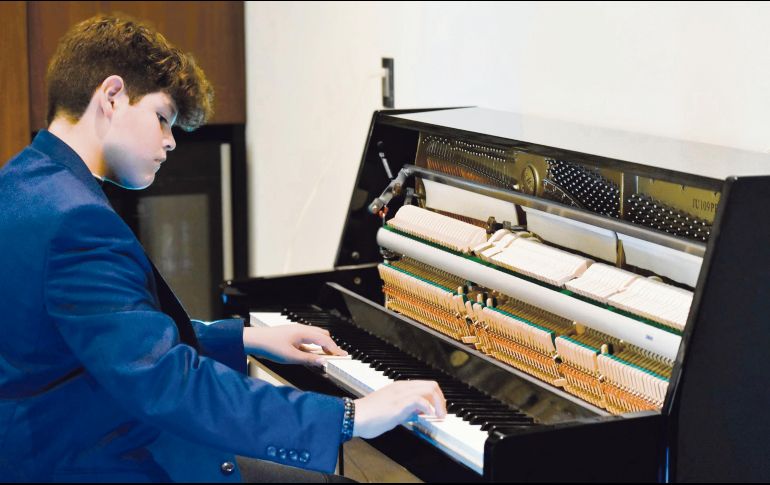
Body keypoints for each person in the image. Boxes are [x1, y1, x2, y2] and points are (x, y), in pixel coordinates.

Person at [0, 14, 446, 482]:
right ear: (111, 96)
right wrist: (351, 416)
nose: (170, 141)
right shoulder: (78, 220)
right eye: (161, 119)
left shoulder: (24, 180)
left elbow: (110, 330)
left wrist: (245, 338)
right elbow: (170, 382)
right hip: (92, 458)